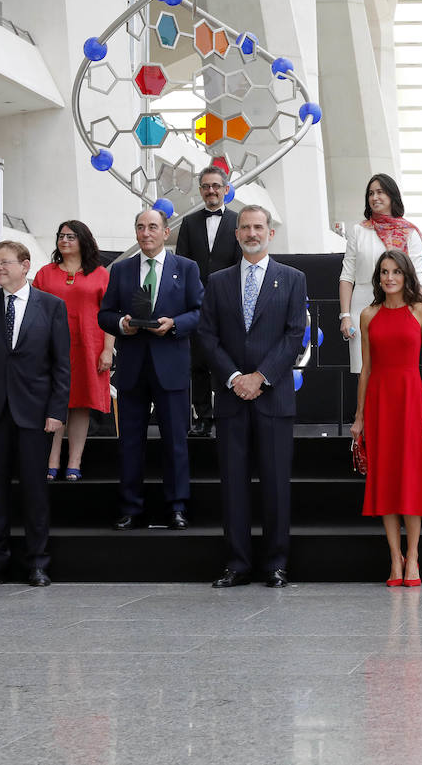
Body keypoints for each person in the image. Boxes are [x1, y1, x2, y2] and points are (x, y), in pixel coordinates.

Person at [197, 205, 307, 589]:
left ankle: (276, 564)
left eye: (258, 227)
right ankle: (237, 564)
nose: (251, 233)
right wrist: (233, 378)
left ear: (270, 233)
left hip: (272, 398)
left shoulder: (292, 279)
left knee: (276, 485)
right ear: (237, 233)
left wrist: (260, 377)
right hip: (231, 399)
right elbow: (207, 336)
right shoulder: (218, 280)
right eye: (244, 227)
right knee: (233, 485)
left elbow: (294, 335)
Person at [0, 242, 71, 587]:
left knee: (35, 491)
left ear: (25, 266)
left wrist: (56, 411)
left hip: (35, 413)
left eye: (5, 262)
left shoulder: (51, 306)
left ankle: (38, 563)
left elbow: (61, 366)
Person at [98, 209, 204, 531]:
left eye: (153, 227)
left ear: (165, 232)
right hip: (132, 367)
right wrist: (121, 324)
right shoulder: (121, 270)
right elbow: (105, 314)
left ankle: (177, 507)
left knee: (175, 441)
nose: (146, 233)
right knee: (130, 441)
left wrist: (176, 324)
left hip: (170, 365)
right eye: (141, 227)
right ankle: (131, 507)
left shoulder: (186, 268)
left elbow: (199, 312)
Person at [351, 248, 422, 587]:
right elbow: (365, 371)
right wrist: (359, 417)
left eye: (395, 272)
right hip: (379, 403)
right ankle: (394, 558)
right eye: (384, 272)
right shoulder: (368, 315)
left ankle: (414, 555)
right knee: (386, 481)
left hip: (411, 402)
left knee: (412, 480)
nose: (389, 278)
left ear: (406, 275)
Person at [31, 220, 113, 480]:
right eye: (61, 236)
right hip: (50, 348)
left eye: (71, 236)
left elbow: (110, 315)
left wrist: (108, 350)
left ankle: (74, 462)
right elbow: (33, 312)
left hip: (89, 347)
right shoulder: (45, 273)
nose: (64, 240)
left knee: (81, 404)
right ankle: (52, 459)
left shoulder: (100, 274)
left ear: (83, 241)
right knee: (54, 402)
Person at [339, 173, 422, 375]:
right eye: (371, 193)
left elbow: (418, 278)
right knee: (365, 373)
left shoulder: (409, 233)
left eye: (380, 192)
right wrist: (345, 316)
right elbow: (346, 276)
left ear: (392, 196)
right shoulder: (358, 231)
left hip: (399, 308)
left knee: (396, 371)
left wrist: (414, 312)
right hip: (362, 309)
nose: (375, 197)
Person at [175, 165, 240, 437]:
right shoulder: (188, 223)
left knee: (228, 361)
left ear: (226, 189)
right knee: (198, 364)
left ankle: (228, 416)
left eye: (216, 186)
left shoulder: (239, 221)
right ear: (201, 191)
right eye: (206, 186)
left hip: (228, 304)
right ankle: (203, 417)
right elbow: (181, 263)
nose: (211, 191)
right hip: (196, 305)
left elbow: (240, 263)